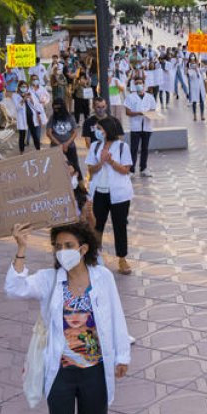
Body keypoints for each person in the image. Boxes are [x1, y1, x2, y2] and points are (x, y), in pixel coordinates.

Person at [5, 221, 130, 414]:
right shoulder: (49, 279)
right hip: (61, 371)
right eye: (58, 246)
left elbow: (116, 317)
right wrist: (21, 248)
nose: (62, 251)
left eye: (69, 246)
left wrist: (122, 356)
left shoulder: (102, 277)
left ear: (83, 249)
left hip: (95, 370)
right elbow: (14, 288)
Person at [85, 116, 135, 275]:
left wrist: (111, 161)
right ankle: (95, 256)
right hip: (99, 191)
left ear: (108, 130)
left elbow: (126, 170)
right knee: (97, 226)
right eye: (97, 129)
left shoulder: (122, 147)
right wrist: (101, 162)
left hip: (119, 193)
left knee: (120, 225)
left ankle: (122, 258)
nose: (98, 132)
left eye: (100, 129)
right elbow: (90, 170)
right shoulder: (94, 146)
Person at [124, 80, 156, 178]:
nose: (139, 85)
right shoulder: (130, 97)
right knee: (133, 149)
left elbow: (153, 110)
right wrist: (139, 113)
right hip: (135, 127)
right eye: (136, 83)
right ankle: (131, 170)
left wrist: (147, 113)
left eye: (140, 83)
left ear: (143, 85)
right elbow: (128, 112)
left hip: (147, 126)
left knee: (145, 149)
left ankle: (143, 168)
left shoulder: (150, 97)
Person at [47, 98, 81, 177]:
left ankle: (80, 187)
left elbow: (75, 132)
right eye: (54, 108)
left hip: (70, 146)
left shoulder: (69, 117)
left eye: (58, 108)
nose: (56, 110)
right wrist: (59, 145)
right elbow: (49, 133)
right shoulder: (52, 118)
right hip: (56, 148)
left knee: (75, 167)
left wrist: (66, 144)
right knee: (57, 168)